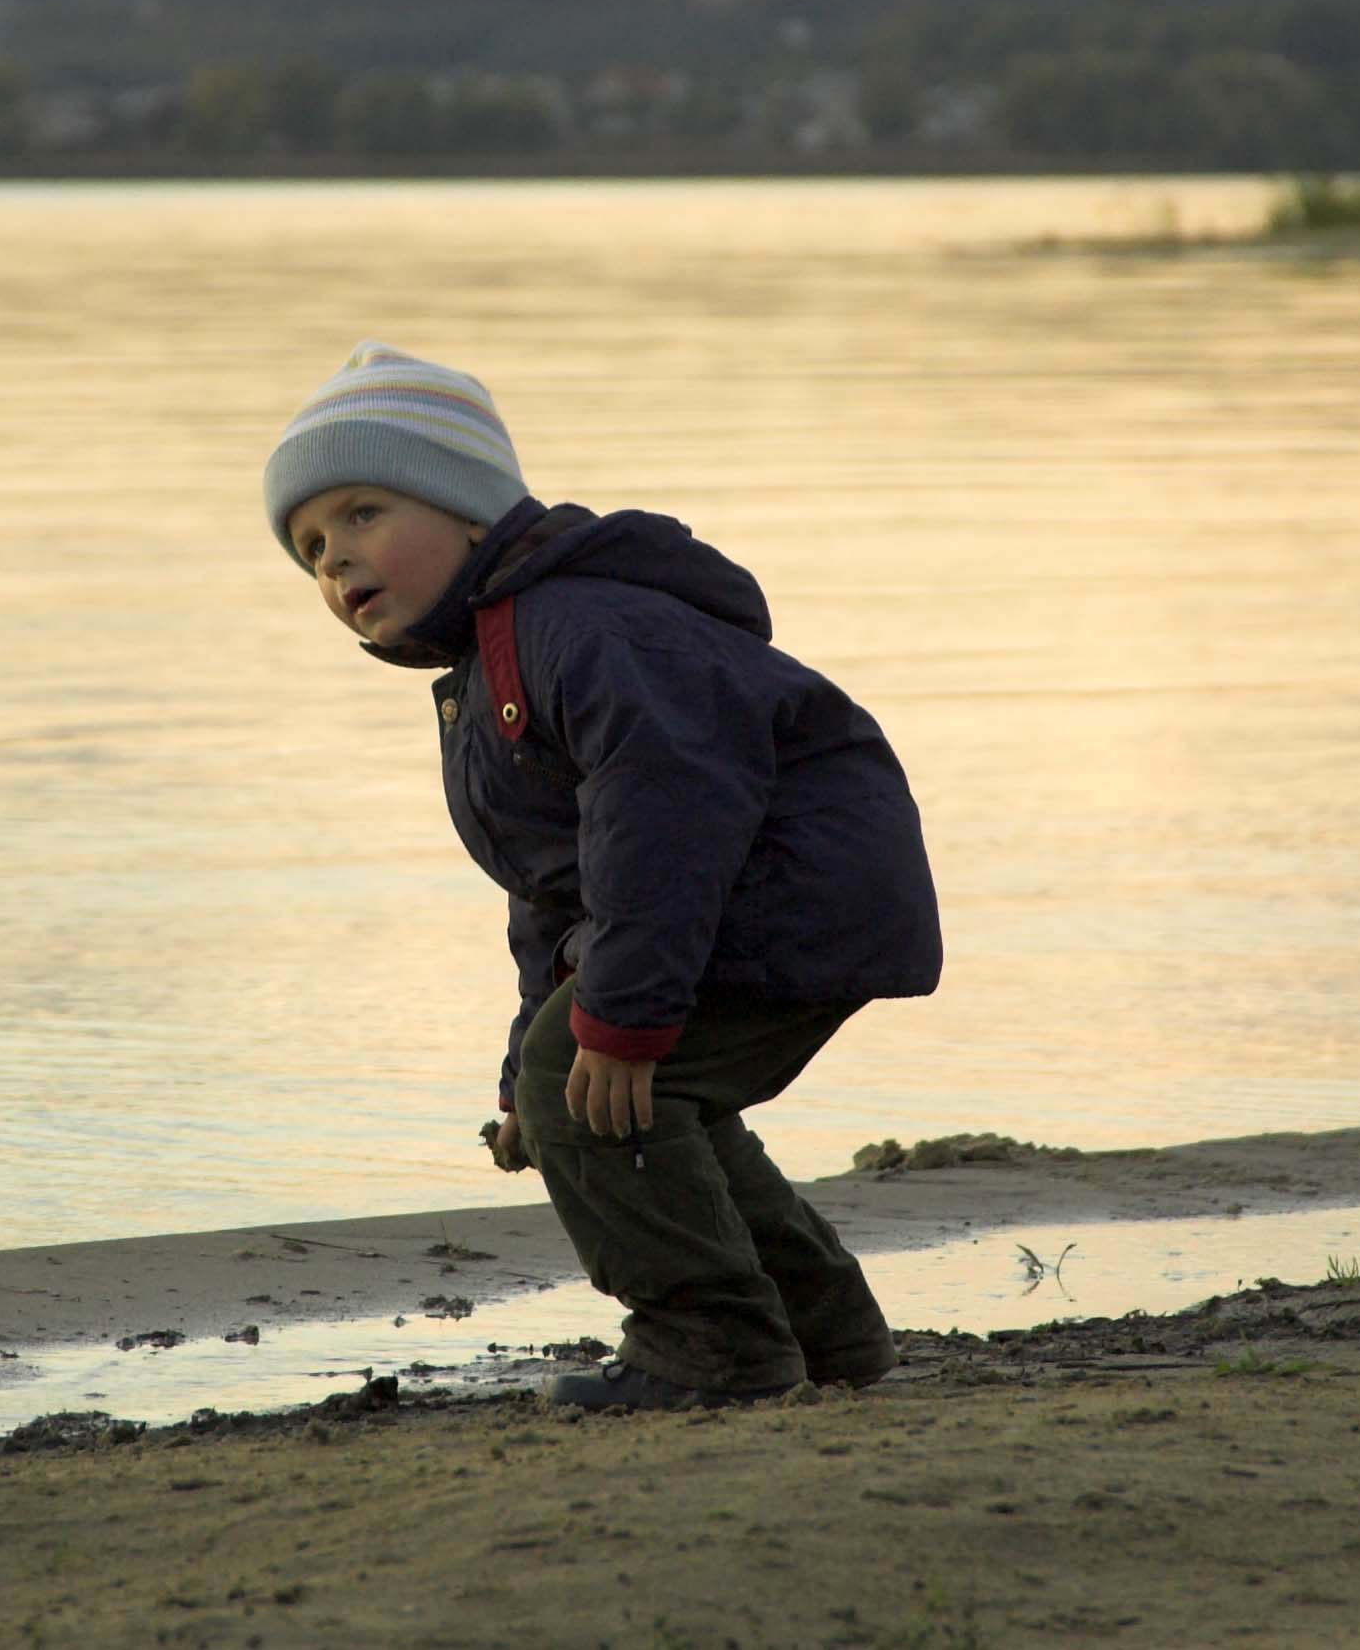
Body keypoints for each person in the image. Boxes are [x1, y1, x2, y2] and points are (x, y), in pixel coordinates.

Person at [264, 340, 942, 1409]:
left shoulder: (577, 627)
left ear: (470, 508)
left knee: (598, 1083)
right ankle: (821, 1330)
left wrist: (610, 1018)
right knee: (619, 1090)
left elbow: (664, 816)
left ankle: (707, 1344)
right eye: (307, 546)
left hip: (785, 886)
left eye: (360, 513)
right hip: (745, 900)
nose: (334, 560)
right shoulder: (489, 665)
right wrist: (524, 1065)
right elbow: (557, 895)